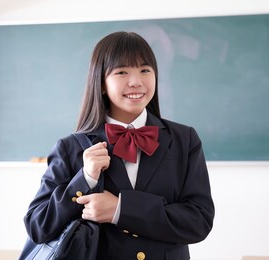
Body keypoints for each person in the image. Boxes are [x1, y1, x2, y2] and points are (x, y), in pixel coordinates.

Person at [23, 31, 215, 260]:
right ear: (101, 83)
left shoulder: (184, 139)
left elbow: (199, 221)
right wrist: (85, 179)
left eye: (145, 70)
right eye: (122, 72)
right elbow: (38, 226)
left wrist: (120, 210)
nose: (136, 82)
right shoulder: (70, 148)